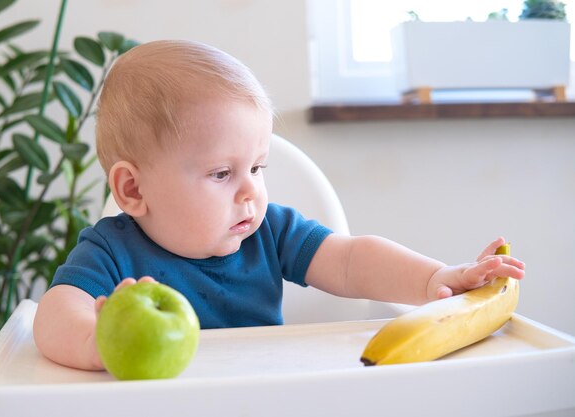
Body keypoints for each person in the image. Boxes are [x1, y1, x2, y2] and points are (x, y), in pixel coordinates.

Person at [33, 40, 525, 371]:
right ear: (134, 191)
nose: (250, 192)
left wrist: (433, 279)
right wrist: (98, 342)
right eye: (222, 174)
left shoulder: (268, 230)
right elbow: (54, 314)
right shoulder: (111, 252)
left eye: (258, 167)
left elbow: (352, 260)